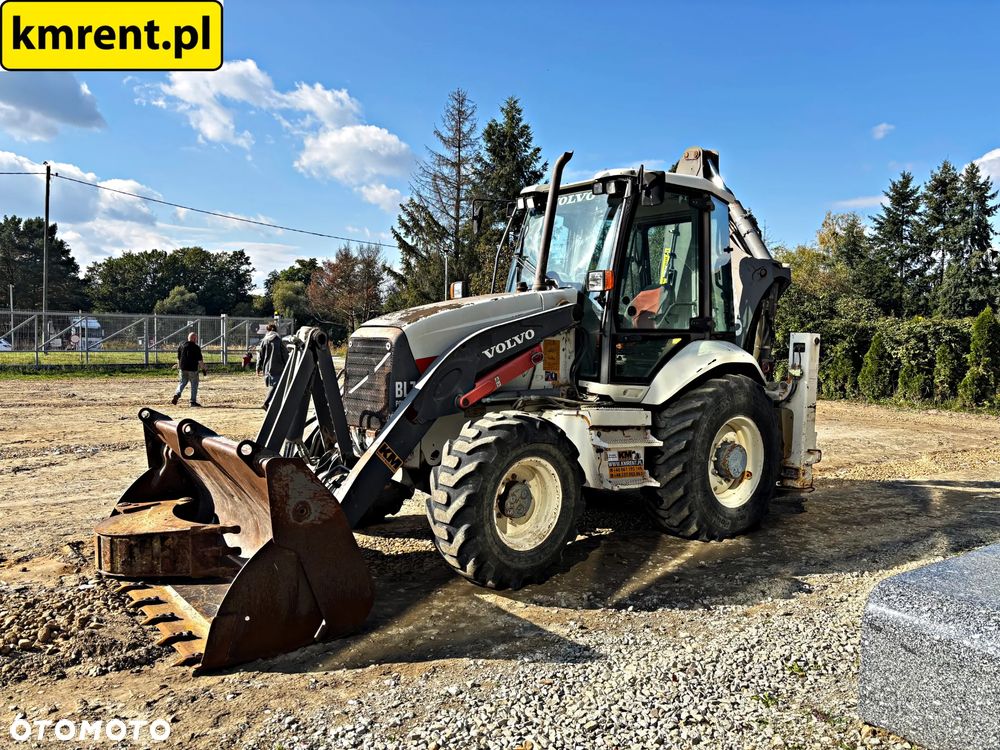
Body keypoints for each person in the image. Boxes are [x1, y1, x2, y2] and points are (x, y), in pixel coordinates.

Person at [257, 324, 288, 410]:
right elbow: (284, 354)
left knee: (273, 385)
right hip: (278, 366)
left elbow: (260, 355)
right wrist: (288, 364)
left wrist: (258, 367)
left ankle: (271, 403)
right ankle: (266, 403)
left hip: (267, 367)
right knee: (276, 385)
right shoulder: (278, 340)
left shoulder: (264, 340)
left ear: (267, 331)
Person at [172, 332, 206, 407]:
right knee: (194, 384)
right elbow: (200, 361)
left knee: (182, 382)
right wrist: (204, 369)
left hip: (182, 368)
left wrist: (178, 366)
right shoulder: (196, 347)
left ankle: (177, 393)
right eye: (196, 338)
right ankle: (192, 401)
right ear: (194, 338)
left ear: (188, 338)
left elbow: (179, 358)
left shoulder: (182, 345)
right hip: (193, 369)